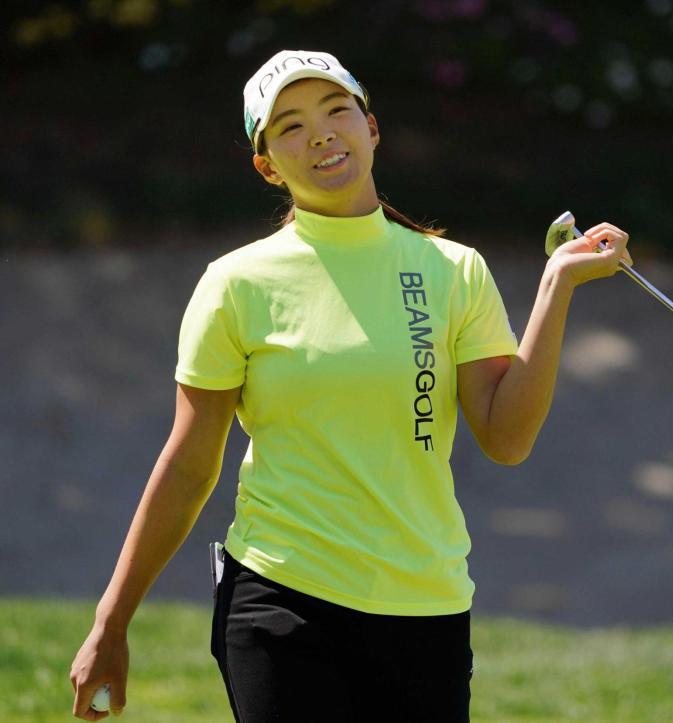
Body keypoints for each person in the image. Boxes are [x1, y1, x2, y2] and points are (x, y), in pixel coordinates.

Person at [69, 49, 631, 721]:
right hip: (281, 596)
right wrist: (112, 617)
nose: (321, 135)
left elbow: (506, 438)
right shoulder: (235, 283)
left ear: (371, 127)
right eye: (291, 126)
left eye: (337, 111)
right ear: (267, 164)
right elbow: (190, 464)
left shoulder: (453, 270)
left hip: (426, 605)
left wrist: (555, 287)